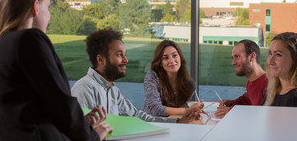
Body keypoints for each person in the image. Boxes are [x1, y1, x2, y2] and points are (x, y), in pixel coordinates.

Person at [0, 0, 112, 140]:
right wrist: (92, 136)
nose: (49, 16)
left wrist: (82, 124)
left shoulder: (3, 42)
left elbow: (31, 108)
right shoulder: (30, 39)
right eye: (48, 8)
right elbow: (60, 103)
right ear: (35, 7)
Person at [71, 28, 203, 124]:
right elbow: (77, 132)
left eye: (125, 54)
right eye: (119, 55)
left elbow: (138, 116)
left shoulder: (112, 90)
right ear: (101, 60)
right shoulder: (85, 88)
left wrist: (179, 122)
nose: (126, 60)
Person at [142, 40, 203, 117]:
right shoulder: (152, 76)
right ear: (160, 62)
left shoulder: (189, 85)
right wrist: (187, 110)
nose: (171, 61)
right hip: (152, 124)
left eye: (174, 55)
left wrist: (193, 110)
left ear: (180, 57)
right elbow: (156, 109)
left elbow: (179, 110)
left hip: (174, 123)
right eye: (166, 58)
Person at [215, 39, 268, 118]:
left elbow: (263, 115)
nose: (233, 62)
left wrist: (231, 111)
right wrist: (231, 103)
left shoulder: (268, 83)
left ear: (252, 56)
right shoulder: (250, 83)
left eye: (237, 57)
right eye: (233, 57)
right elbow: (247, 100)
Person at [263, 32, 297, 107]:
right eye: (270, 53)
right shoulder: (272, 92)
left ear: (295, 60)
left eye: (278, 54)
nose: (270, 61)